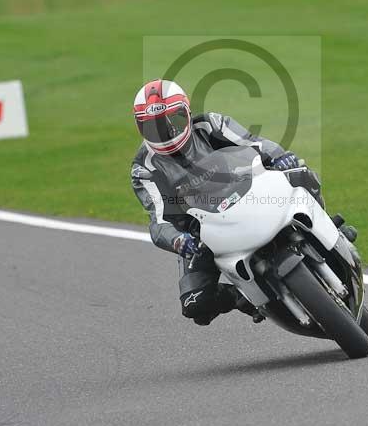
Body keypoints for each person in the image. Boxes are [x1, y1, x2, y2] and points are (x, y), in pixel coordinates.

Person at [130, 79, 346, 326]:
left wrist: (281, 157)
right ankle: (243, 296)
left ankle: (331, 231)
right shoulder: (143, 168)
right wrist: (180, 240)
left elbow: (254, 142)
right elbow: (158, 220)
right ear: (140, 127)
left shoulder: (210, 125)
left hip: (246, 194)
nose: (166, 133)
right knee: (195, 305)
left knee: (301, 174)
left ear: (187, 113)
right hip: (201, 232)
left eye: (173, 121)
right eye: (154, 128)